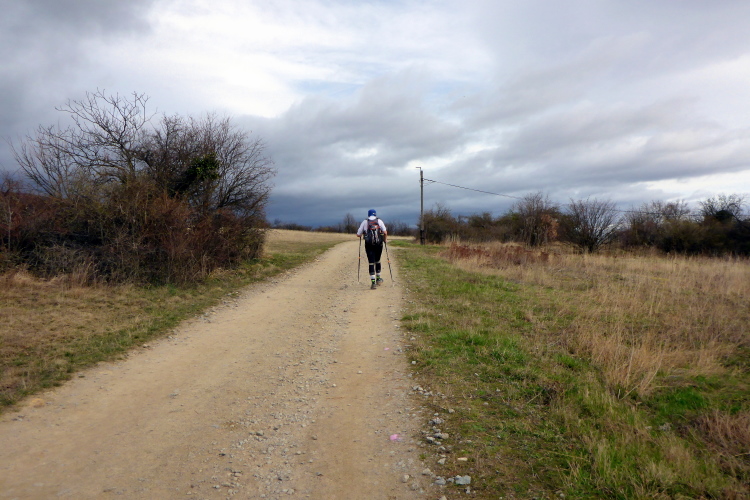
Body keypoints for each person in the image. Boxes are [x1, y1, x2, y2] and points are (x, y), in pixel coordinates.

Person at [356, 209, 387, 289]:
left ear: (368, 215)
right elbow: (385, 232)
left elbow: (358, 234)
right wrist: (384, 240)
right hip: (379, 244)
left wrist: (363, 233)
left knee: (371, 262)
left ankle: (373, 283)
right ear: (375, 214)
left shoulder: (365, 222)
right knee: (378, 260)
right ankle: (378, 279)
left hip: (369, 245)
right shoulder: (379, 221)